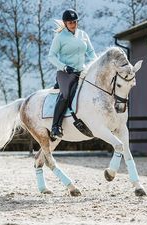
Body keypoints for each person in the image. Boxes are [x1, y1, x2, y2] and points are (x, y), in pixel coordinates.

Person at [48, 9, 97, 139]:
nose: (73, 24)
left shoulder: (83, 35)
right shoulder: (59, 38)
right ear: (65, 23)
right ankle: (55, 126)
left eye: (75, 22)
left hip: (82, 71)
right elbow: (51, 56)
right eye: (70, 22)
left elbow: (91, 52)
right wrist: (63, 67)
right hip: (65, 73)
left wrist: (95, 64)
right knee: (65, 95)